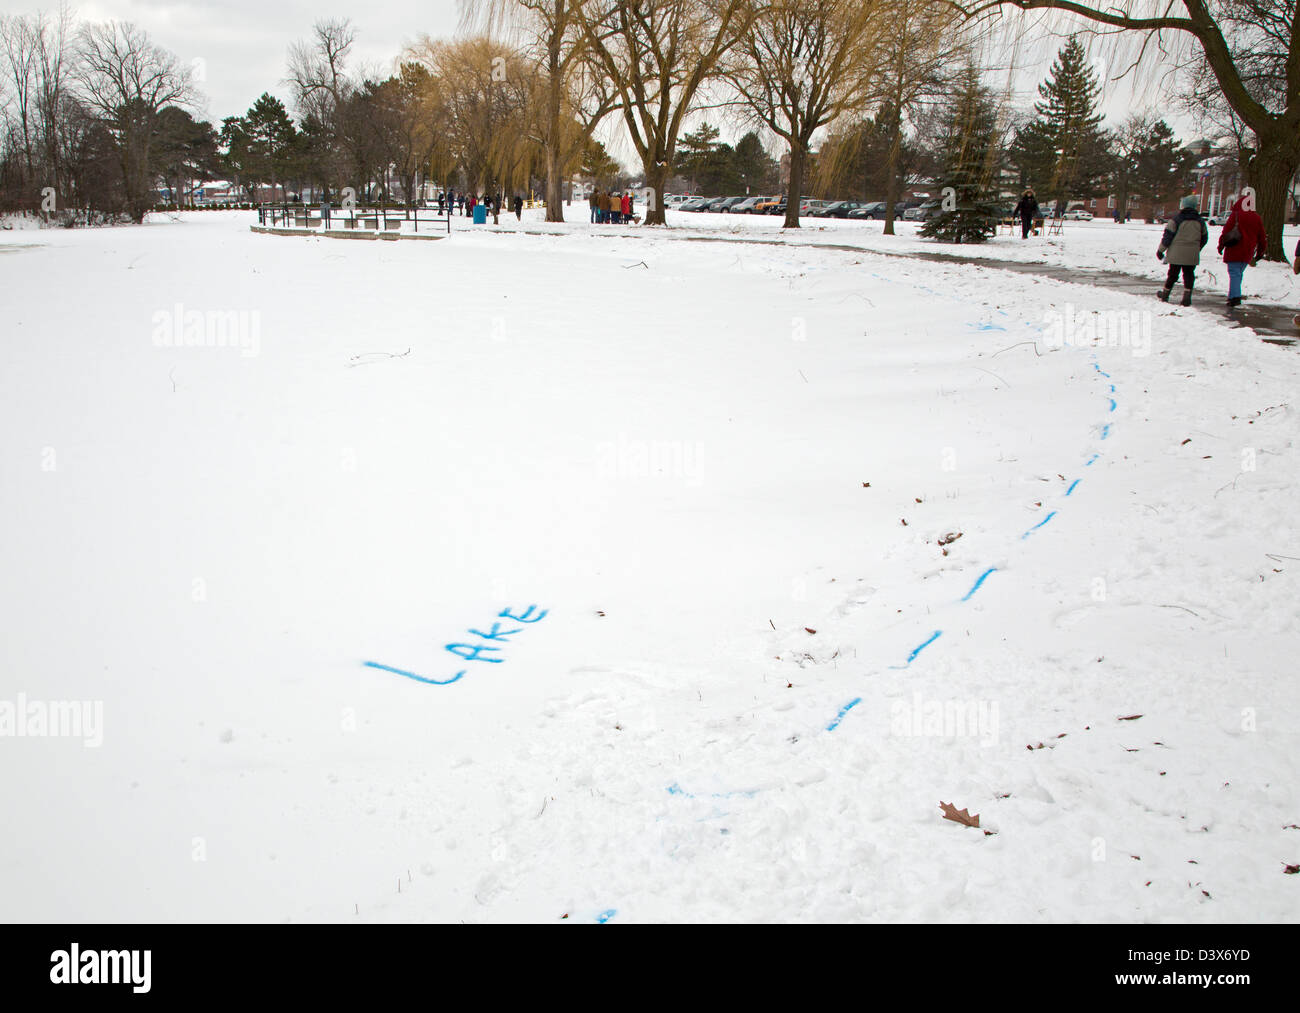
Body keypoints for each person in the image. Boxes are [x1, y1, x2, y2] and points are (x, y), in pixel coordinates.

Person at [1157, 195, 1209, 306]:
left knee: (1173, 274)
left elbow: (1168, 237)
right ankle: (1186, 297)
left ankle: (1165, 295)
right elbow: (1204, 238)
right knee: (1189, 274)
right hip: (1192, 253)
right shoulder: (1200, 221)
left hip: (1176, 252)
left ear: (1184, 206)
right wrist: (1196, 248)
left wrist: (1160, 250)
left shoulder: (1176, 220)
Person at [1217, 193, 1266, 308]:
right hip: (1248, 251)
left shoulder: (1235, 215)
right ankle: (1232, 295)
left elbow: (1226, 232)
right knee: (1238, 273)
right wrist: (1260, 252)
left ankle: (1235, 298)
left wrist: (1220, 246)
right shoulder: (1256, 218)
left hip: (1234, 248)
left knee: (1234, 273)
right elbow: (1262, 237)